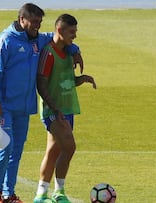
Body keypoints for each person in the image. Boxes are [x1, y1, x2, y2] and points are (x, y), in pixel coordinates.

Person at [0, 4, 83, 203]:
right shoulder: (5, 40)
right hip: (3, 105)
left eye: (39, 22)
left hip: (23, 106)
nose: (37, 26)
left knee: (16, 150)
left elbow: (57, 38)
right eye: (34, 21)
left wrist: (74, 48)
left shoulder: (37, 39)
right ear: (22, 19)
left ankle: (8, 193)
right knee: (5, 147)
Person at [34, 14, 96, 203]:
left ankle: (41, 194)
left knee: (53, 151)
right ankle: (59, 192)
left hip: (67, 108)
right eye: (72, 32)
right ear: (60, 30)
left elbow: (65, 81)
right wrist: (54, 108)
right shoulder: (48, 53)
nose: (75, 36)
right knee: (69, 147)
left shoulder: (68, 52)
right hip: (54, 111)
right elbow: (41, 83)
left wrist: (81, 79)